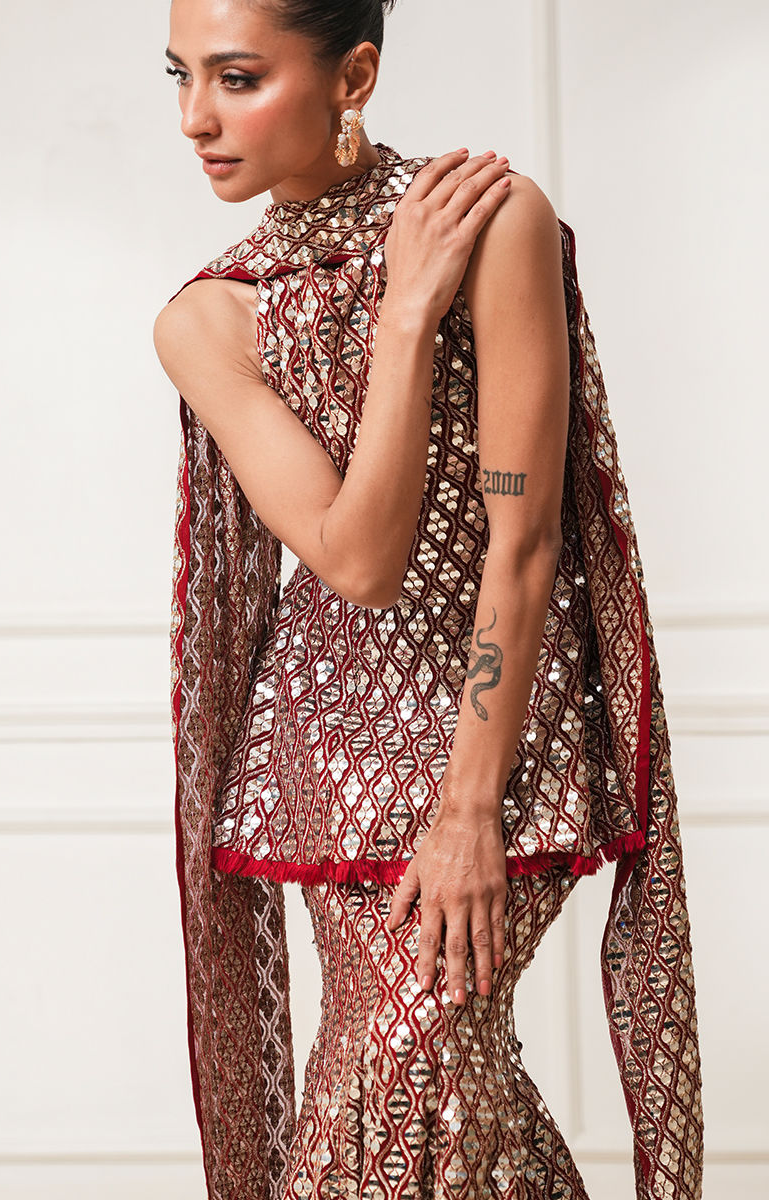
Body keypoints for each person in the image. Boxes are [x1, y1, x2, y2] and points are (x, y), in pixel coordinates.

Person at [153, 1, 704, 1197]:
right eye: (180, 77)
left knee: (415, 1064)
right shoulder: (206, 318)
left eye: (236, 78)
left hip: (498, 739)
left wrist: (468, 811)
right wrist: (404, 317)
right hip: (332, 759)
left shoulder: (495, 221)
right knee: (421, 1088)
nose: (196, 118)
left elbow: (526, 537)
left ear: (352, 74)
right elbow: (357, 561)